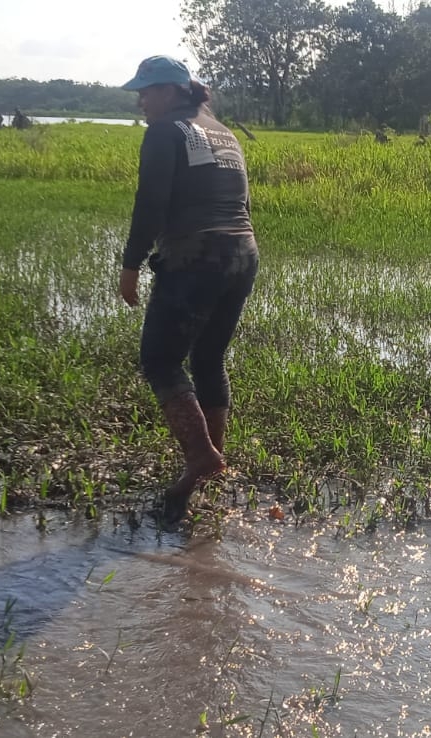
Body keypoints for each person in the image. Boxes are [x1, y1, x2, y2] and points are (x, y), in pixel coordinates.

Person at [116, 55, 258, 524]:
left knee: (159, 360)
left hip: (196, 257)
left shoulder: (164, 131)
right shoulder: (222, 131)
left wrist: (131, 264)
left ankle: (201, 457)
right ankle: (205, 467)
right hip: (242, 253)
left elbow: (150, 201)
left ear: (174, 91)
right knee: (208, 358)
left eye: (148, 90)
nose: (141, 99)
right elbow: (242, 200)